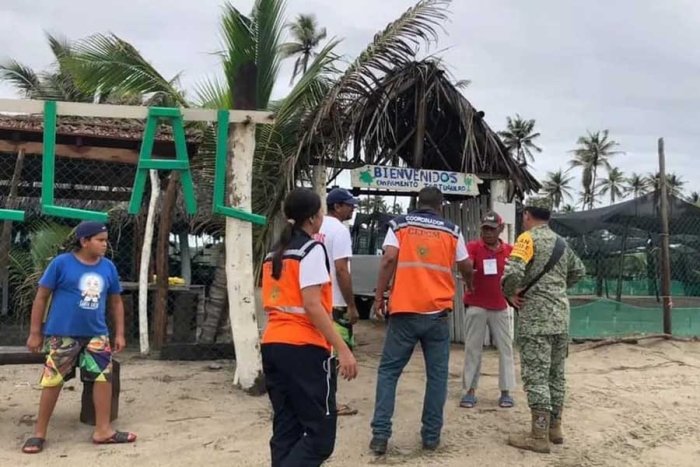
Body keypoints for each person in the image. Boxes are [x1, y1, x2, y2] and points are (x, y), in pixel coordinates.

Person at [369, 187, 473, 455]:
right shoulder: (452, 230)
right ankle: (430, 437)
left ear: (417, 203)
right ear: (440, 205)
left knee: (389, 372)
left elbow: (389, 258)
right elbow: (465, 265)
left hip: (404, 312)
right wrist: (470, 285)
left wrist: (379, 297)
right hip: (436, 315)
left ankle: (380, 436)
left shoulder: (400, 225)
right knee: (437, 377)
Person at [261, 187, 359, 467]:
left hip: (273, 345)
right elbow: (313, 305)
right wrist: (343, 349)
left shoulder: (273, 255)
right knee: (320, 438)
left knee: (286, 428)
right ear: (315, 217)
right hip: (304, 349)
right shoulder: (311, 250)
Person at [23, 221, 135, 454]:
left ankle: (103, 430)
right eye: (100, 240)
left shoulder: (108, 267)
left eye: (106, 240)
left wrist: (120, 333)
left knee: (103, 379)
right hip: (63, 334)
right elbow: (42, 297)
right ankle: (39, 433)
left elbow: (115, 301)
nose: (105, 245)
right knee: (53, 380)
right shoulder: (61, 264)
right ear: (84, 241)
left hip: (96, 333)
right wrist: (36, 333)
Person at [501, 197, 585, 454]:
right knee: (556, 375)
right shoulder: (562, 242)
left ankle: (538, 436)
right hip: (561, 317)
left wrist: (510, 293)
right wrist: (557, 289)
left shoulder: (527, 239)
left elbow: (513, 271)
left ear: (527, 215)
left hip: (536, 318)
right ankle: (555, 429)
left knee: (536, 376)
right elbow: (579, 271)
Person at [460, 212, 516, 409]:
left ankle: (506, 391)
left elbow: (516, 275)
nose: (488, 233)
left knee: (505, 349)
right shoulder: (473, 247)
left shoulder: (510, 250)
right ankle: (469, 390)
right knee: (473, 349)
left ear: (500, 229)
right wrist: (468, 275)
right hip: (476, 305)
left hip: (500, 306)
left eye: (492, 229)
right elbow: (466, 266)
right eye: (485, 228)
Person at [313, 187, 360, 417]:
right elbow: (342, 270)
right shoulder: (340, 231)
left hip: (314, 299)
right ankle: (329, 403)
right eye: (349, 205)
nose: (352, 208)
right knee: (333, 355)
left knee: (316, 353)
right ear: (337, 207)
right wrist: (351, 305)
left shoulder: (315, 226)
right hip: (335, 302)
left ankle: (315, 399)